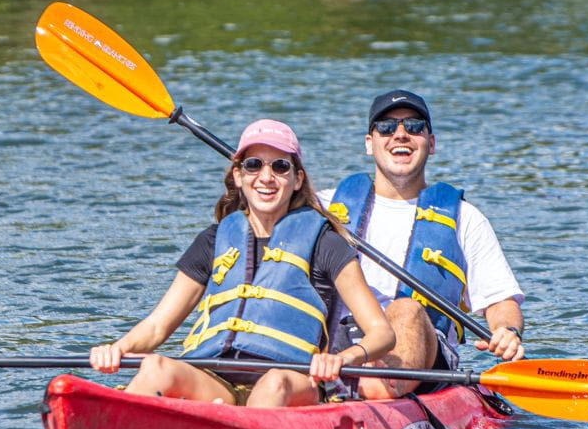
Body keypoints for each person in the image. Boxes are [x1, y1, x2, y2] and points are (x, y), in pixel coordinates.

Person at [90, 119, 395, 408]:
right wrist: (118, 349)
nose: (266, 177)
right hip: (215, 378)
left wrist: (343, 359)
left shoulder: (325, 242)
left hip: (292, 380)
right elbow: (157, 327)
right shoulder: (213, 240)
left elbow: (381, 332)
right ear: (238, 175)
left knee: (273, 383)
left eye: (280, 166)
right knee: (157, 366)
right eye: (253, 165)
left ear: (297, 179)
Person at [319, 90, 525, 400]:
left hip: (421, 353)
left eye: (414, 126)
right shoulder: (322, 207)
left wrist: (507, 332)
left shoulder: (466, 219)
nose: (400, 135)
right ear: (369, 142)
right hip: (335, 342)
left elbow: (500, 302)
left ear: (431, 144)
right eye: (386, 127)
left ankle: (370, 395)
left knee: (406, 309)